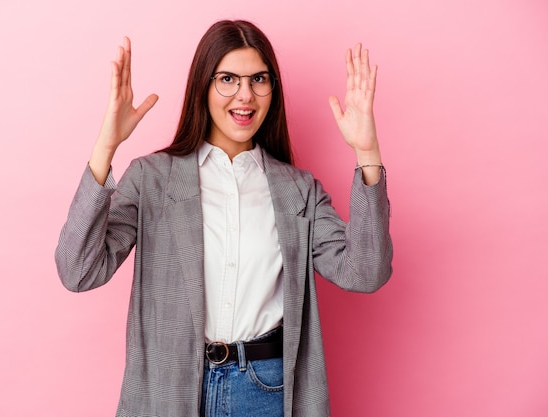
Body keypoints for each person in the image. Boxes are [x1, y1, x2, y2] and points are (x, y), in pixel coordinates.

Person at [55, 19, 392, 417]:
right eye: (228, 79)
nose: (244, 95)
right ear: (204, 85)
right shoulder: (152, 178)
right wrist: (106, 145)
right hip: (171, 388)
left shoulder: (298, 189)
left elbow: (366, 272)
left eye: (258, 79)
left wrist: (367, 152)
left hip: (266, 390)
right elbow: (77, 271)